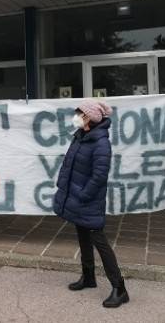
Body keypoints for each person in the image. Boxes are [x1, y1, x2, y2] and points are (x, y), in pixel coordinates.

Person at [53, 99, 129, 308]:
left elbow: (99, 176)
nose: (75, 117)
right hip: (76, 198)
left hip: (88, 200)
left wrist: (84, 195)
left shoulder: (100, 143)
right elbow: (68, 165)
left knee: (100, 242)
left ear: (89, 118)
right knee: (82, 236)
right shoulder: (80, 137)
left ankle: (120, 289)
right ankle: (88, 277)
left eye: (79, 113)